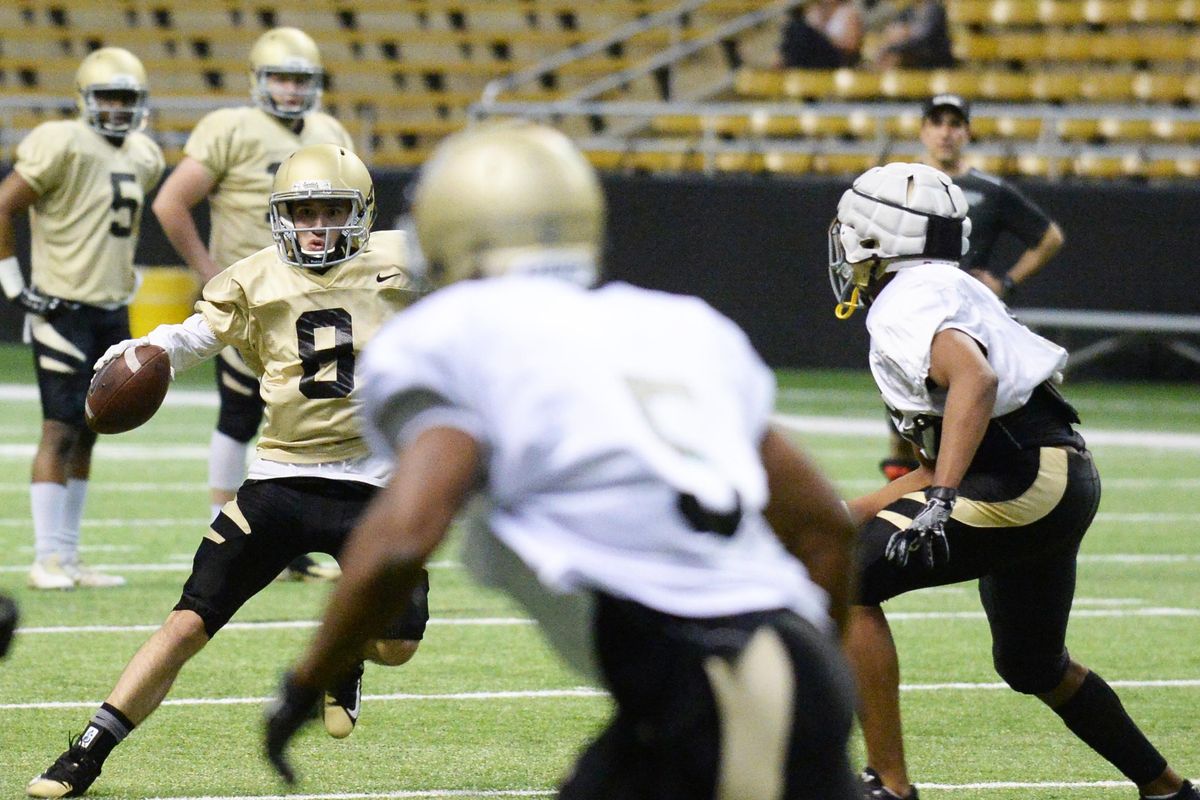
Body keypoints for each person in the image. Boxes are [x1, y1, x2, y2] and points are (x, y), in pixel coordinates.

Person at [263, 122, 861, 798]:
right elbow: (826, 531)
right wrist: (816, 678)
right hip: (765, 676)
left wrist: (307, 680)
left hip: (724, 689)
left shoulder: (456, 335)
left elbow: (402, 538)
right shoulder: (676, 326)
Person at [26, 144, 428, 799]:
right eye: (303, 212)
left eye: (332, 211)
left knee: (397, 646)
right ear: (280, 217)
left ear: (362, 215)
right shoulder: (253, 278)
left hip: (377, 486)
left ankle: (348, 653)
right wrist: (144, 349)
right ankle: (86, 753)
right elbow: (190, 338)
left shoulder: (407, 259)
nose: (317, 226)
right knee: (187, 622)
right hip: (281, 478)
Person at [827, 161, 1198, 800]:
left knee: (847, 575)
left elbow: (975, 380)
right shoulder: (948, 287)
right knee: (1031, 664)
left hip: (1023, 477)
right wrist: (840, 511)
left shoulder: (905, 301)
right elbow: (936, 459)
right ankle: (1169, 790)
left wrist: (940, 499)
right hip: (1045, 473)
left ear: (877, 235)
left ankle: (889, 783)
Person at [152, 26, 353, 582]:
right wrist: (209, 272)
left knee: (310, 415)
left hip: (315, 297)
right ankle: (223, 528)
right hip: (256, 299)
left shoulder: (328, 129)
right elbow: (171, 201)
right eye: (282, 78)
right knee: (241, 413)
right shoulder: (230, 127)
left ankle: (297, 540)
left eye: (301, 80)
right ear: (258, 80)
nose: (291, 90)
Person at [0, 47, 164, 590]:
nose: (117, 108)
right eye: (107, 96)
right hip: (63, 307)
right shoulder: (62, 142)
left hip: (110, 308)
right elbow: (4, 203)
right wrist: (14, 285)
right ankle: (45, 557)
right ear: (85, 100)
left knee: (93, 430)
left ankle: (68, 556)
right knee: (60, 428)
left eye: (127, 98)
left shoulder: (143, 153)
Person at [880, 93, 1067, 481]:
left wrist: (1007, 281)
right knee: (902, 416)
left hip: (964, 320)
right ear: (923, 130)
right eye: (938, 123)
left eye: (954, 124)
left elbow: (1049, 237)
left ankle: (954, 490)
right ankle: (907, 499)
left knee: (964, 406)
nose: (946, 133)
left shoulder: (989, 189)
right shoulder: (900, 184)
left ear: (967, 131)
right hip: (913, 315)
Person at [776, 0, 864, 69]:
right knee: (794, 29)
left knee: (799, 29)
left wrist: (821, 37)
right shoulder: (812, 11)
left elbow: (850, 46)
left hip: (835, 58)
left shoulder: (848, 12)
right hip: (813, 59)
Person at [876, 0, 954, 69]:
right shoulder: (907, 11)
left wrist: (906, 33)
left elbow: (923, 39)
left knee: (895, 57)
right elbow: (892, 31)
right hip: (913, 58)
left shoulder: (935, 10)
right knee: (889, 57)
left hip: (933, 62)